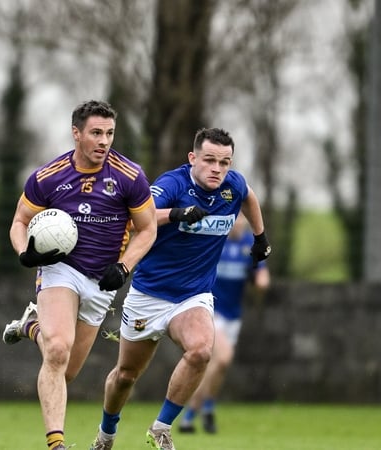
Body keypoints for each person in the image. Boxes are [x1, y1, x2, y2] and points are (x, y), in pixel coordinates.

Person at [89, 127, 271, 450]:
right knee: (126, 376)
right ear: (193, 158)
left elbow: (249, 197)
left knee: (201, 350)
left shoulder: (233, 185)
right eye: (209, 160)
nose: (217, 169)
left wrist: (260, 237)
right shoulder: (173, 184)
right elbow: (138, 217)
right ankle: (106, 435)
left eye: (224, 162)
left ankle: (161, 428)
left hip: (193, 295)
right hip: (149, 294)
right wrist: (176, 214)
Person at [1, 99, 157, 450]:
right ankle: (56, 444)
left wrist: (124, 267)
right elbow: (20, 221)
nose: (104, 141)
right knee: (57, 351)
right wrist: (24, 252)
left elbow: (148, 230)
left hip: (103, 280)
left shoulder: (129, 176)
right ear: (76, 133)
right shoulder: (48, 177)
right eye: (96, 133)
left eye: (110, 134)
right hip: (61, 270)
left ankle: (31, 327)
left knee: (66, 371)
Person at [178, 214, 271, 434]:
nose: (238, 223)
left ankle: (203, 410)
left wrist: (261, 281)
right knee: (224, 357)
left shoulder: (250, 245)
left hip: (233, 315)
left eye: (242, 219)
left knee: (218, 366)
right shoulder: (215, 240)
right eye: (235, 218)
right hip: (211, 310)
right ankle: (192, 413)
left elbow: (262, 275)